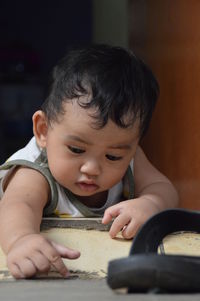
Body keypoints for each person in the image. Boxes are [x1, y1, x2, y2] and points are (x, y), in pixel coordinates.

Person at [0, 44, 179, 279]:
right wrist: (21, 239)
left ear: (133, 146)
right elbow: (18, 206)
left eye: (113, 156)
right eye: (76, 149)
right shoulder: (35, 169)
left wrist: (151, 203)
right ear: (43, 130)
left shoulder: (131, 157)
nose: (92, 168)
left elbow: (164, 189)